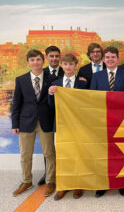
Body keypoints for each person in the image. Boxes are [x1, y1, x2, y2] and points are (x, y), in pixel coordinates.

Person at [90, 46, 124, 198]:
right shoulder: (96, 77)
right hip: (102, 121)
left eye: (112, 57)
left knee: (122, 152)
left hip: (122, 121)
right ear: (103, 59)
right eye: (107, 57)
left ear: (118, 59)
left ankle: (122, 183)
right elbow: (92, 100)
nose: (110, 60)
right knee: (103, 152)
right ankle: (102, 184)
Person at [11, 50, 57, 197]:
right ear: (28, 62)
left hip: (46, 121)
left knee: (49, 153)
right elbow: (16, 103)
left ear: (43, 61)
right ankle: (26, 181)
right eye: (32, 60)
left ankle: (50, 181)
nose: (35, 62)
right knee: (25, 155)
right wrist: (15, 124)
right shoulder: (21, 80)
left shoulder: (53, 78)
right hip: (25, 122)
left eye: (38, 59)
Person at [48, 54, 88, 200]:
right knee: (62, 156)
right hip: (60, 125)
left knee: (78, 154)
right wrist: (50, 94)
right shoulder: (55, 83)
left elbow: (86, 105)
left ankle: (78, 184)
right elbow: (51, 106)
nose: (68, 67)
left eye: (71, 64)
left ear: (76, 65)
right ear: (62, 65)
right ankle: (63, 186)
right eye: (65, 64)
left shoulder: (83, 83)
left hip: (78, 126)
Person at [38, 45, 64, 186]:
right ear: (46, 57)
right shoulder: (40, 73)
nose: (54, 59)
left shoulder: (67, 71)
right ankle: (48, 173)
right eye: (51, 56)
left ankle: (63, 173)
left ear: (59, 57)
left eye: (56, 56)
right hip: (47, 116)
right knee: (48, 148)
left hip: (65, 116)